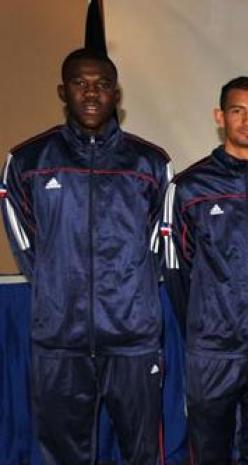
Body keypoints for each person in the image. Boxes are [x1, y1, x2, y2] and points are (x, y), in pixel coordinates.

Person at [0, 48, 171, 465]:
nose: (91, 93)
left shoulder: (151, 163)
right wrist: (59, 293)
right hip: (61, 340)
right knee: (63, 453)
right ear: (63, 90)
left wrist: (131, 298)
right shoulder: (28, 161)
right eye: (80, 83)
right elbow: (26, 244)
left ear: (117, 93)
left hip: (133, 339)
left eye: (102, 84)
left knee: (141, 451)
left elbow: (157, 245)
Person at [163, 76, 248, 464]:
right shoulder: (189, 188)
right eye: (238, 111)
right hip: (213, 353)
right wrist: (206, 325)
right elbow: (176, 270)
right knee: (209, 453)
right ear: (220, 116)